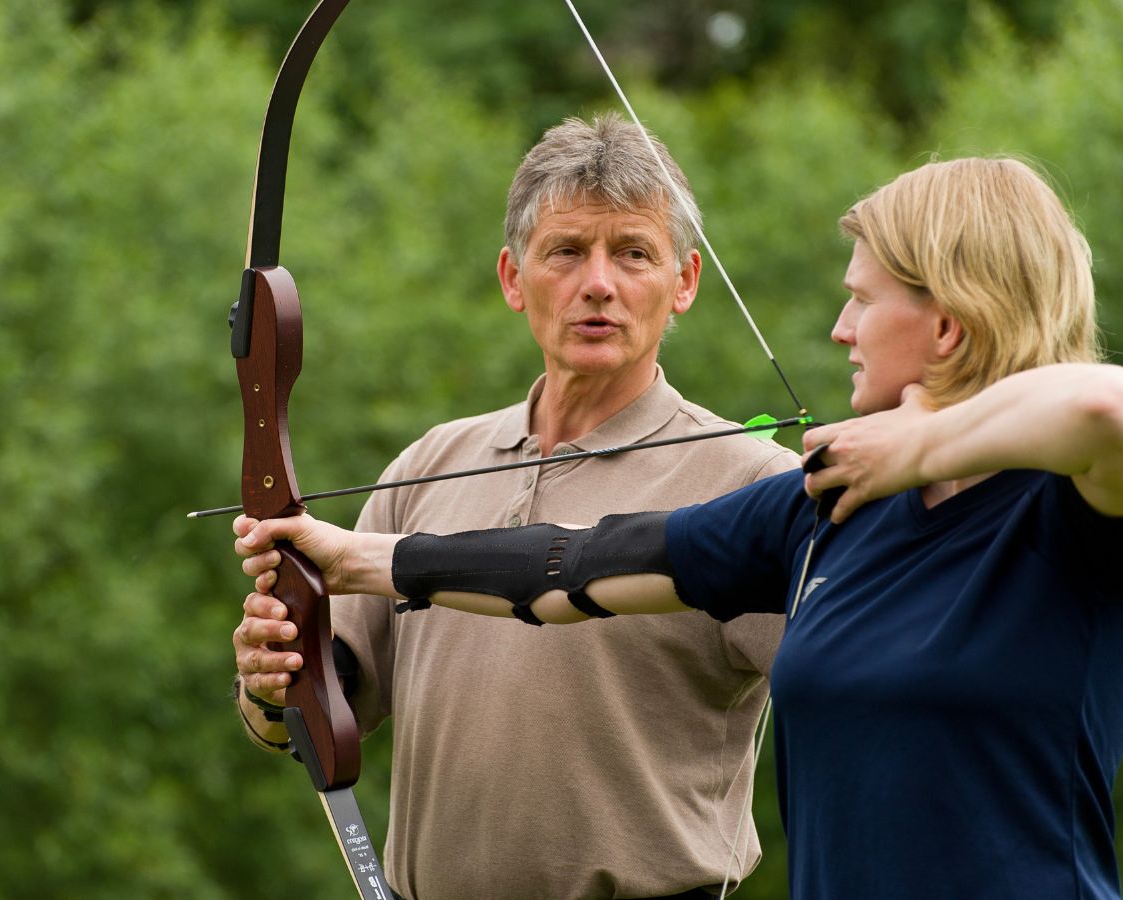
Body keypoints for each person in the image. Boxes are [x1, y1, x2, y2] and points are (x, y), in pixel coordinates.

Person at [235, 156, 1123, 899]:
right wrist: (359, 557)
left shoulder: (1080, 522)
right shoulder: (824, 509)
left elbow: (1111, 406)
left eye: (861, 299)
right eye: (565, 254)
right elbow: (573, 568)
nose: (838, 330)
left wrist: (917, 443)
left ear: (947, 326)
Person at [231, 112, 799, 900]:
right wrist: (270, 683)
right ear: (511, 277)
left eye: (633, 252)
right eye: (565, 251)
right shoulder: (432, 463)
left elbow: (859, 682)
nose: (598, 282)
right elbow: (330, 702)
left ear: (685, 283)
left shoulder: (752, 481)